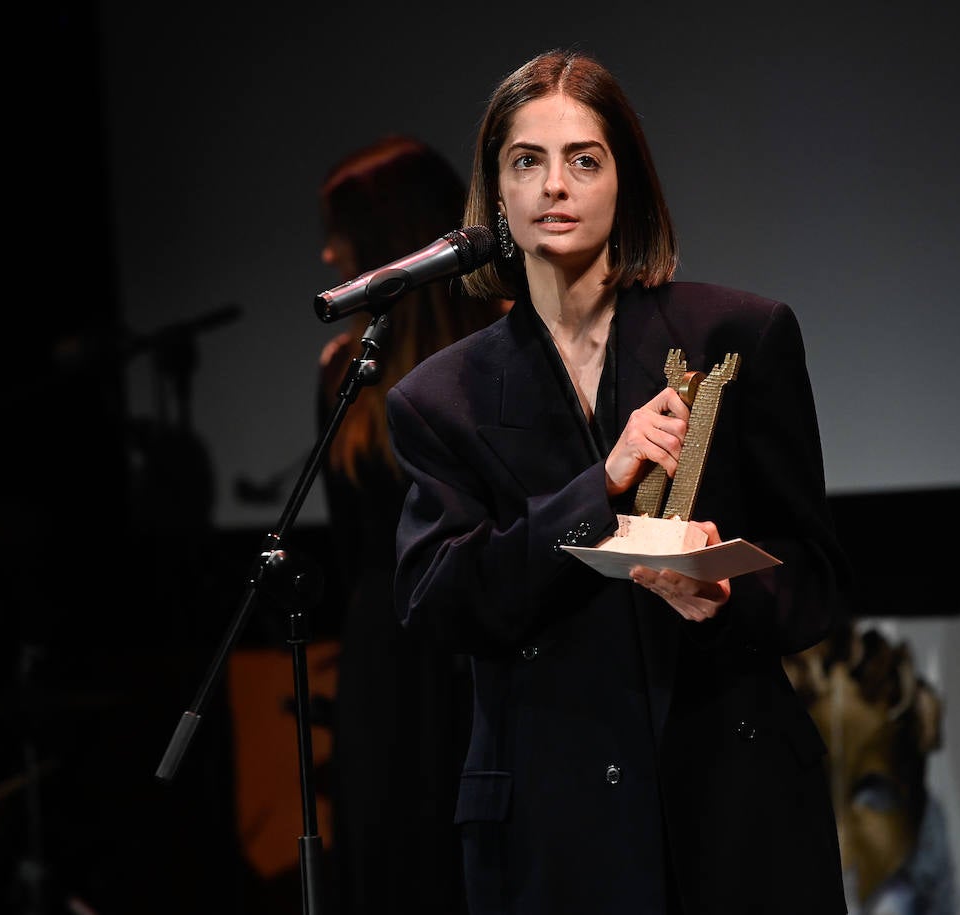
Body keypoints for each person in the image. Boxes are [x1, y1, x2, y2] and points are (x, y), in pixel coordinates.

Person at [385, 50, 851, 914]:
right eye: (527, 161)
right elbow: (440, 601)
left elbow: (814, 585)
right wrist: (595, 487)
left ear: (625, 183)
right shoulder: (438, 399)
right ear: (495, 196)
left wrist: (723, 593)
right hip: (553, 835)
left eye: (583, 159)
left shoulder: (739, 336)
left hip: (732, 808)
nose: (553, 185)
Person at [314, 135, 508, 914]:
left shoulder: (506, 346)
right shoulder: (343, 368)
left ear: (389, 244)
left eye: (344, 237)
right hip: (395, 655)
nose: (330, 256)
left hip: (459, 647)